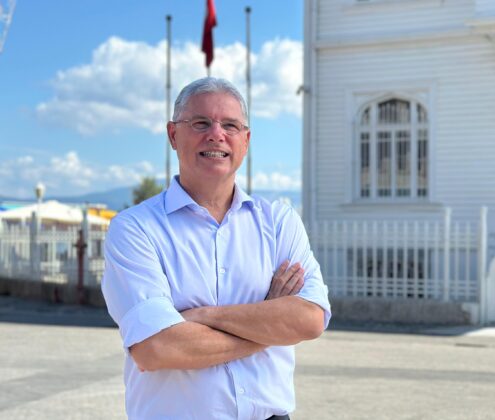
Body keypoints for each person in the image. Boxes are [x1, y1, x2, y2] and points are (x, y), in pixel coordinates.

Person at [102, 77, 331, 420]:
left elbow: (310, 319)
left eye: (230, 125)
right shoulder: (135, 228)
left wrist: (203, 316)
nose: (216, 134)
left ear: (246, 140)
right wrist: (268, 324)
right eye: (201, 123)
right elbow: (156, 348)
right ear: (173, 135)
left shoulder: (278, 221)